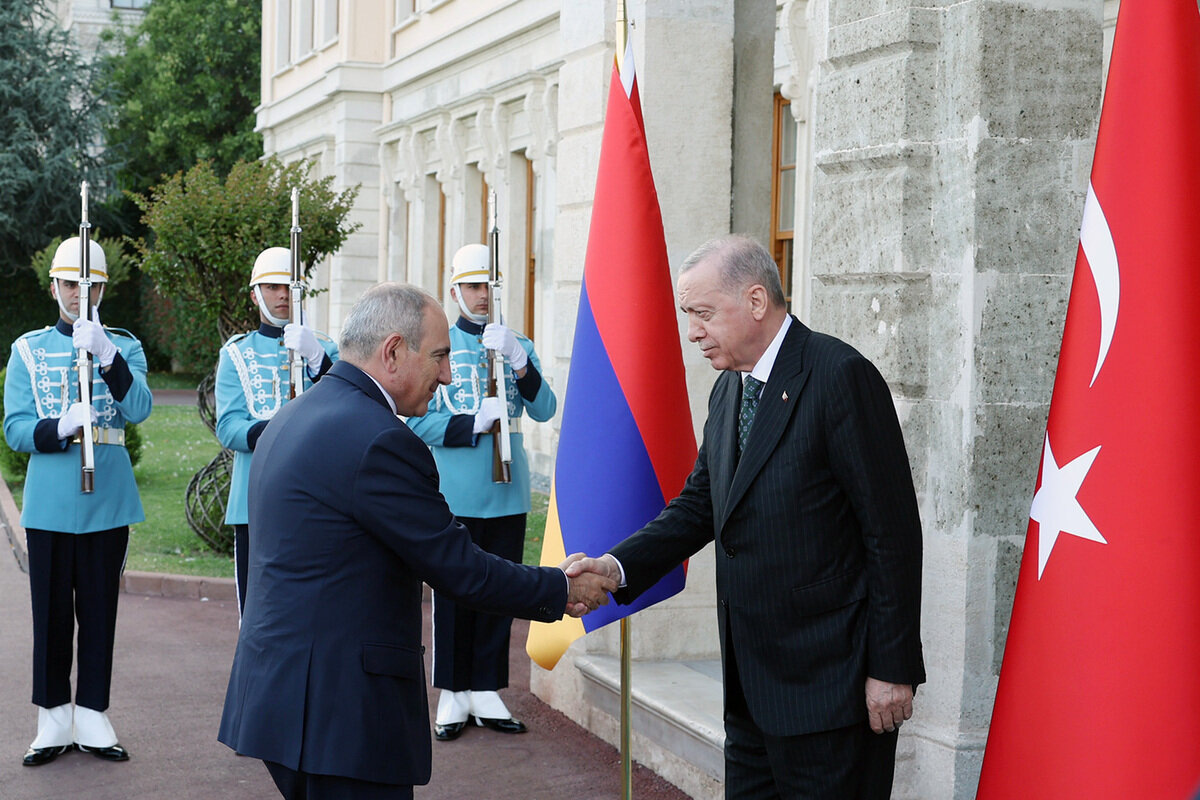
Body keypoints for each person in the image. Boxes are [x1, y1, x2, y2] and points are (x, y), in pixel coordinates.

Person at [217, 282, 614, 800]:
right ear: (393, 351)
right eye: (440, 357)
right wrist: (559, 589)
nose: (447, 375)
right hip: (341, 713)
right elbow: (458, 567)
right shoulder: (379, 438)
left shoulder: (294, 415)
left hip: (279, 700)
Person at [567, 235, 925, 799]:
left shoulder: (839, 377)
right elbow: (698, 507)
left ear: (756, 301)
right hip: (750, 692)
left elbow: (893, 535)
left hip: (832, 691)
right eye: (689, 316)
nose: (692, 332)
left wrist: (893, 667)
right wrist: (614, 569)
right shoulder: (729, 389)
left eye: (703, 314)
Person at [3, 237, 153, 766]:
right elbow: (15, 428)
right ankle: (52, 718)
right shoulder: (27, 349)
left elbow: (139, 409)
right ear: (54, 286)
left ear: (103, 289)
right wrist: (59, 425)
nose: (78, 293)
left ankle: (92, 713)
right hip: (49, 498)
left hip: (107, 499)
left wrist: (109, 356)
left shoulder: (125, 346)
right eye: (70, 283)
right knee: (49, 613)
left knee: (98, 609)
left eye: (89, 284)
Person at [405, 243, 557, 741]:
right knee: (453, 591)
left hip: (507, 491)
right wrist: (471, 423)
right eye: (471, 286)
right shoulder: (436, 345)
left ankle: (487, 687)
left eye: (488, 286)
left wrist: (520, 363)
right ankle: (452, 689)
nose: (481, 296)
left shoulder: (518, 342)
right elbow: (417, 419)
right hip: (456, 490)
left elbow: (544, 409)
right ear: (454, 291)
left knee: (501, 587)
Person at [215, 246, 338, 614]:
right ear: (255, 295)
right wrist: (279, 431)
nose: (282, 294)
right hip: (256, 500)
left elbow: (347, 408)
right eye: (271, 286)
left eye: (289, 286)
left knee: (311, 613)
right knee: (255, 615)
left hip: (317, 499)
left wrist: (318, 360)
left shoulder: (325, 349)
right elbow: (230, 427)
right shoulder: (236, 352)